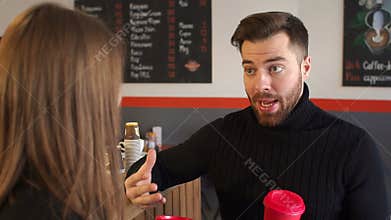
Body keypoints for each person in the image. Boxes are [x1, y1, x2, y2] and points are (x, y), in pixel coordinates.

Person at [124, 12, 389, 219]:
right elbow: (159, 168)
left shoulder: (354, 147)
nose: (259, 84)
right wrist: (137, 180)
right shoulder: (223, 136)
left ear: (305, 68)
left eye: (275, 68)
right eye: (250, 70)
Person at [0, 3, 125, 220]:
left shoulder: (36, 197)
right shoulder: (42, 210)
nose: (118, 99)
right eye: (111, 86)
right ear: (81, 99)